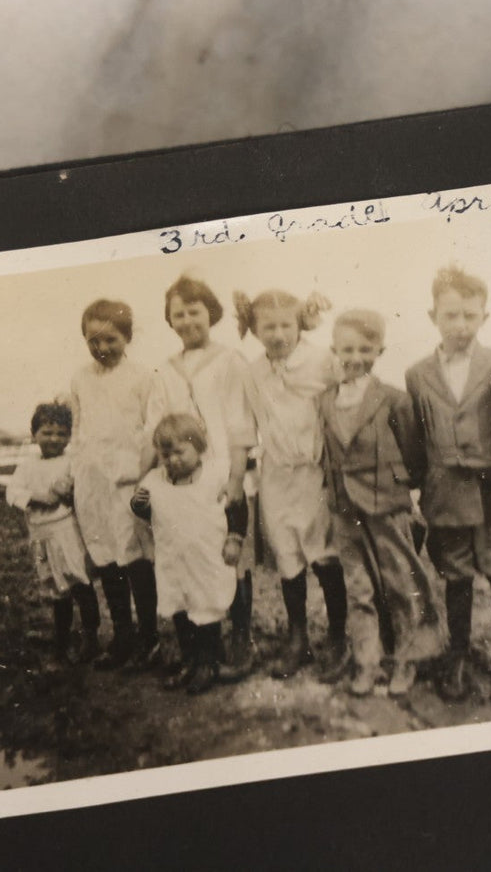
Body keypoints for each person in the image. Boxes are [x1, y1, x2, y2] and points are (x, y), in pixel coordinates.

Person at [404, 265, 491, 705]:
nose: (461, 325)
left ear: (484, 316)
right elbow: (416, 437)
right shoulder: (417, 374)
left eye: (470, 315)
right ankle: (459, 655)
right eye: (451, 315)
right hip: (445, 492)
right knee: (457, 577)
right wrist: (419, 488)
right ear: (433, 317)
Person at [320, 309, 443, 696]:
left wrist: (404, 496)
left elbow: (413, 455)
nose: (355, 357)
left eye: (365, 349)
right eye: (347, 349)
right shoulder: (325, 401)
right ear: (334, 351)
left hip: (386, 505)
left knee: (401, 583)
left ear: (379, 351)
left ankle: (407, 660)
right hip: (344, 509)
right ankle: (367, 662)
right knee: (359, 588)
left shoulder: (393, 399)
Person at [146, 275, 258, 679]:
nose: (187, 321)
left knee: (232, 556)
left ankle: (241, 639)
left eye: (194, 312)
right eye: (178, 314)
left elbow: (241, 423)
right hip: (184, 478)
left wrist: (236, 478)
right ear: (169, 320)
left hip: (225, 470)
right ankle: (200, 648)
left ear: (210, 313)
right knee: (193, 560)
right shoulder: (165, 370)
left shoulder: (230, 360)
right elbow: (156, 426)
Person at [234, 288, 349, 681]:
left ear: (300, 325)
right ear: (254, 330)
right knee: (287, 554)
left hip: (315, 472)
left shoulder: (321, 360)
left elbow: (343, 401)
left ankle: (338, 636)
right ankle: (298, 638)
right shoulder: (252, 372)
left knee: (324, 553)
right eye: (268, 327)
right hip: (276, 475)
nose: (278, 334)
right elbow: (248, 424)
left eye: (286, 325)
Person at [67, 299, 158, 671]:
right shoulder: (80, 379)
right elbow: (77, 430)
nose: (102, 347)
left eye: (111, 339)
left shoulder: (142, 377)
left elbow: (152, 431)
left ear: (127, 337)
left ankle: (149, 638)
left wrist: (144, 478)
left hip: (127, 482)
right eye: (94, 340)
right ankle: (123, 636)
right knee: (105, 557)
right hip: (92, 483)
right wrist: (75, 474)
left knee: (135, 557)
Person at [131, 414, 247, 696]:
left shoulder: (216, 474)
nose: (172, 460)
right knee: (181, 609)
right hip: (173, 560)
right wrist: (139, 505)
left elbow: (237, 505)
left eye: (179, 452)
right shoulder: (154, 480)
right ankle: (189, 660)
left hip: (206, 559)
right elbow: (144, 511)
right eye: (165, 454)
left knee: (206, 608)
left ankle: (208, 663)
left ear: (198, 447)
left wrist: (234, 539)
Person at [4, 403, 101, 663]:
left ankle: (91, 638)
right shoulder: (27, 466)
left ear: (69, 436)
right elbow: (12, 492)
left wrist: (67, 490)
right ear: (34, 434)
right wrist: (38, 497)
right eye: (47, 433)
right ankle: (62, 642)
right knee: (56, 590)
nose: (54, 439)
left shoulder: (72, 462)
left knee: (80, 583)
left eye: (61, 433)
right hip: (40, 534)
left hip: (65, 531)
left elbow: (81, 490)